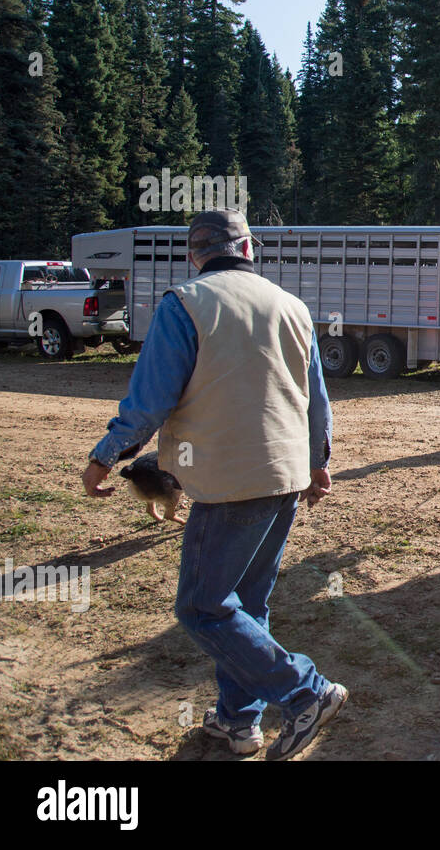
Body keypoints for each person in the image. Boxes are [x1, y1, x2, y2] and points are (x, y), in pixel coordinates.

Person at [80, 208, 345, 761]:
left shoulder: (185, 304)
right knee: (247, 604)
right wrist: (319, 463)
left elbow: (150, 400)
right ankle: (236, 722)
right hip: (285, 475)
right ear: (249, 249)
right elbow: (316, 399)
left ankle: (304, 692)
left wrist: (105, 457)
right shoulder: (292, 307)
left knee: (202, 608)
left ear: (194, 255)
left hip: (228, 480)